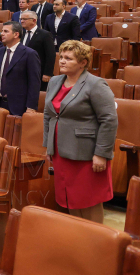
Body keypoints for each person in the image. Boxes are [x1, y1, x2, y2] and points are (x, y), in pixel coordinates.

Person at [43, 40, 117, 223]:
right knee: (70, 200)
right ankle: (80, 243)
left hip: (86, 154)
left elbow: (109, 120)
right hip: (61, 152)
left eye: (68, 58)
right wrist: (48, 145)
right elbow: (48, 115)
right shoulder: (55, 81)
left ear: (83, 62)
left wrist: (101, 153)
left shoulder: (95, 84)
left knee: (88, 200)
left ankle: (97, 243)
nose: (62, 61)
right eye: (61, 57)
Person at [0, 21, 41, 115]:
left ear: (16, 34)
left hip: (18, 106)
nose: (1, 34)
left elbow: (34, 83)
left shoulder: (29, 54)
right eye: (2, 31)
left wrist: (31, 107)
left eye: (5, 31)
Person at [21, 11, 55, 90]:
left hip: (39, 72)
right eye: (21, 19)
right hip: (23, 71)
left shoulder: (45, 34)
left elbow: (50, 55)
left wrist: (47, 73)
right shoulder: (20, 34)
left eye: (25, 19)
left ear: (34, 20)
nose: (22, 21)